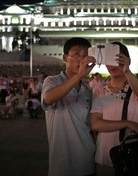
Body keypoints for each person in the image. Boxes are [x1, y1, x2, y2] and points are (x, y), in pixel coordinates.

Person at [90, 41, 138, 176]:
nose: (113, 64)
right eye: (109, 60)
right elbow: (96, 124)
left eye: (118, 59)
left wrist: (126, 70)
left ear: (127, 60)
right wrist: (128, 123)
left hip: (134, 156)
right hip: (105, 156)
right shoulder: (100, 92)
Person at [41, 37, 96, 176]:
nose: (81, 59)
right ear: (65, 57)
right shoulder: (52, 81)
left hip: (86, 159)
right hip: (61, 163)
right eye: (76, 54)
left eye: (85, 55)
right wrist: (78, 76)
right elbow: (48, 98)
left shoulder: (87, 90)